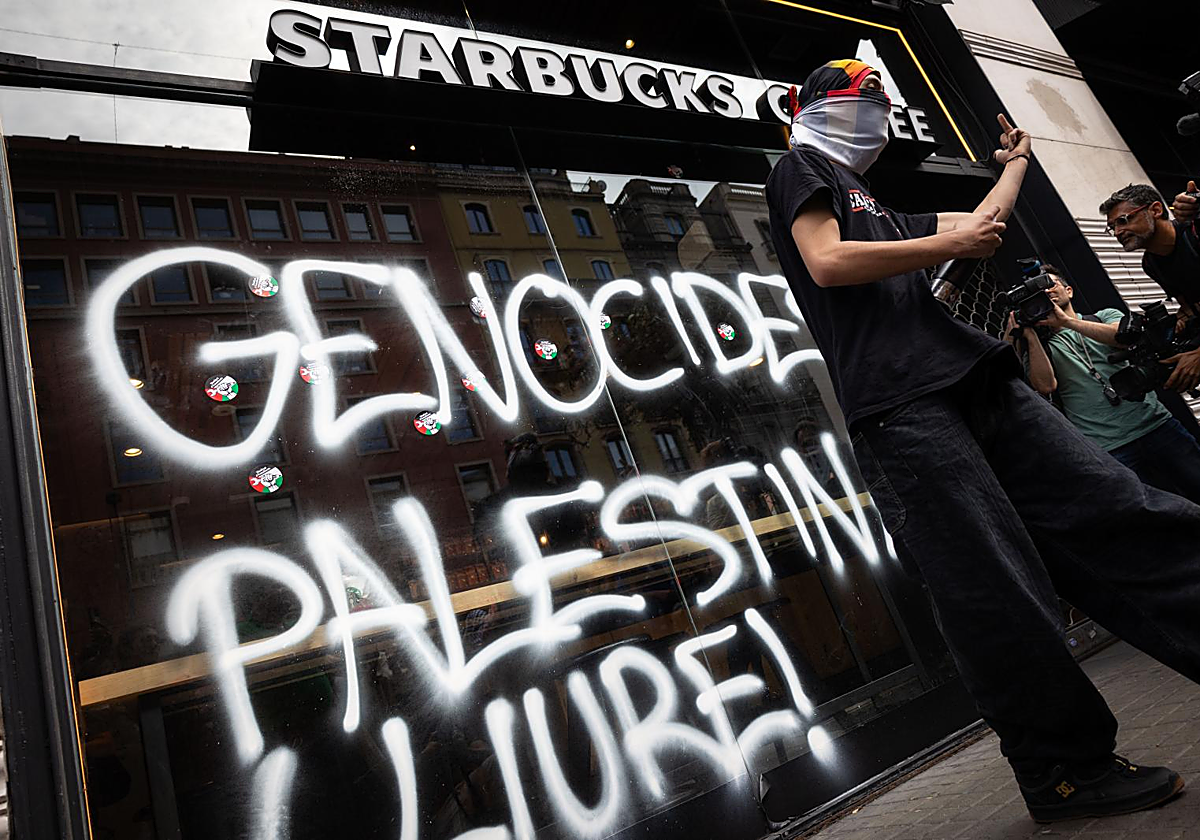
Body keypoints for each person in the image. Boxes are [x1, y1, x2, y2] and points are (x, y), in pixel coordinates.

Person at [766, 59, 1199, 823]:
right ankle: (1065, 772)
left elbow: (981, 228)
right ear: (806, 106)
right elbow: (827, 261)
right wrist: (947, 247)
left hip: (977, 382)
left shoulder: (879, 206)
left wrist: (1017, 165)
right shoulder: (800, 167)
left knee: (1119, 509)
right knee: (994, 592)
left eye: (879, 97)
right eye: (855, 93)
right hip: (905, 410)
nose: (870, 105)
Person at [1009, 266, 1200, 503]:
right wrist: (1029, 336)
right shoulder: (1042, 347)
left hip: (1155, 424)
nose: (1046, 292)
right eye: (1038, 293)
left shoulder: (1103, 316)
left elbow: (1121, 338)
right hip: (1109, 446)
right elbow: (1045, 386)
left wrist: (1067, 322)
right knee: (1154, 517)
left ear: (1069, 291)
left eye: (1051, 285)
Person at [1100, 183, 1200, 393]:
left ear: (1155, 210)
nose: (1118, 232)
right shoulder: (1151, 264)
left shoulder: (1194, 232)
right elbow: (1191, 307)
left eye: (1123, 220)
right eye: (1113, 227)